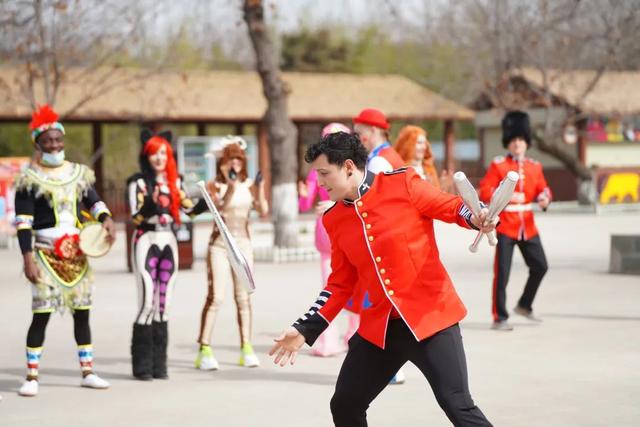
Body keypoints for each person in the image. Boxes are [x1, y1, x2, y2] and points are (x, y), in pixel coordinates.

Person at [269, 132, 494, 426]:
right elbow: (339, 284)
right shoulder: (334, 219)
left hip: (431, 319)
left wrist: (475, 216)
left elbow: (450, 206)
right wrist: (304, 328)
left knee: (457, 404)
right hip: (381, 327)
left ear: (349, 167)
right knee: (345, 405)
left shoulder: (403, 184)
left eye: (324, 173)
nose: (319, 183)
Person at [14, 104, 116, 397]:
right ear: (38, 143)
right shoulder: (29, 180)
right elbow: (23, 224)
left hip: (77, 256)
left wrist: (106, 219)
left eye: (58, 139)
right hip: (45, 256)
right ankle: (32, 376)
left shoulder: (78, 174)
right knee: (41, 314)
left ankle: (88, 371)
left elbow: (94, 202)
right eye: (48, 141)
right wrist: (28, 259)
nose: (55, 145)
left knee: (82, 313)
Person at [127, 129, 207, 380]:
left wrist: (207, 201)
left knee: (164, 306)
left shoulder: (176, 182)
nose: (159, 157)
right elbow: (136, 217)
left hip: (168, 241)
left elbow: (190, 212)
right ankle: (142, 366)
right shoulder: (137, 182)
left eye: (163, 152)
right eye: (154, 153)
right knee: (147, 303)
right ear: (146, 155)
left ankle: (159, 366)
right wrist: (150, 204)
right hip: (145, 240)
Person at [195, 137, 268, 370]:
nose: (235, 162)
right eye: (231, 158)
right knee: (216, 296)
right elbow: (218, 209)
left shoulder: (249, 184)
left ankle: (246, 346)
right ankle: (204, 348)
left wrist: (261, 188)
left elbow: (263, 210)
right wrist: (230, 185)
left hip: (243, 243)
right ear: (223, 162)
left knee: (244, 297)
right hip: (220, 245)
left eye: (238, 158)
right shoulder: (213, 185)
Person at [479, 111, 551, 331]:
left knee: (540, 266)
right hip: (506, 225)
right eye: (513, 140)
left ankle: (524, 305)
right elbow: (485, 190)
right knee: (503, 273)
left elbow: (543, 188)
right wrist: (507, 196)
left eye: (520, 140)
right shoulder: (499, 165)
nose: (517, 144)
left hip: (527, 225)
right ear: (508, 144)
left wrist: (545, 197)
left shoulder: (534, 166)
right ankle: (499, 316)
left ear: (526, 142)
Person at [352, 108, 407, 384]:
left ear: (373, 131)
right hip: (391, 237)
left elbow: (368, 202)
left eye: (359, 131)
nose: (357, 136)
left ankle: (387, 368)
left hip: (383, 240)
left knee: (378, 306)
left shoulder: (380, 162)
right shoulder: (386, 157)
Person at [298, 122, 359, 357]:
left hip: (335, 229)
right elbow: (305, 204)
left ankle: (340, 338)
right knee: (339, 287)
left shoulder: (331, 171)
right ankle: (339, 338)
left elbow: (306, 205)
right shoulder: (330, 171)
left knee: (341, 286)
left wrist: (324, 202)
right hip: (329, 232)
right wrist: (305, 197)